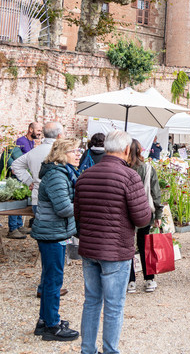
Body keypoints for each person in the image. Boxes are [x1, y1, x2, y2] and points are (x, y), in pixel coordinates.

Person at [74, 130, 152, 354]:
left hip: (90, 247)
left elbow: (77, 213)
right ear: (127, 150)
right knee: (114, 306)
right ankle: (110, 350)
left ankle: (88, 349)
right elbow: (142, 217)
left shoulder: (86, 175)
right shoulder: (129, 176)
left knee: (91, 302)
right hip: (116, 250)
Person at [31, 138, 81, 341]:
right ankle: (52, 326)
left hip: (55, 233)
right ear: (62, 154)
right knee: (53, 282)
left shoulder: (63, 173)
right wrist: (84, 205)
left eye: (79, 150)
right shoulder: (57, 176)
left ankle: (44, 321)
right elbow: (63, 209)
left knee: (50, 279)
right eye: (74, 150)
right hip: (52, 234)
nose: (78, 154)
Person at [11, 122, 64, 241]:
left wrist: (29, 181)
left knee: (45, 237)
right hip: (57, 199)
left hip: (38, 198)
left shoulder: (35, 151)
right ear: (60, 136)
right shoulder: (61, 152)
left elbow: (15, 165)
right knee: (55, 238)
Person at [127, 139, 162, 294]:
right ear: (140, 150)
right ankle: (149, 279)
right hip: (144, 211)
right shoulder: (147, 168)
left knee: (127, 247)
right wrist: (158, 214)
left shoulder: (122, 168)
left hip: (125, 212)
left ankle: (130, 281)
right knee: (145, 246)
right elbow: (156, 192)